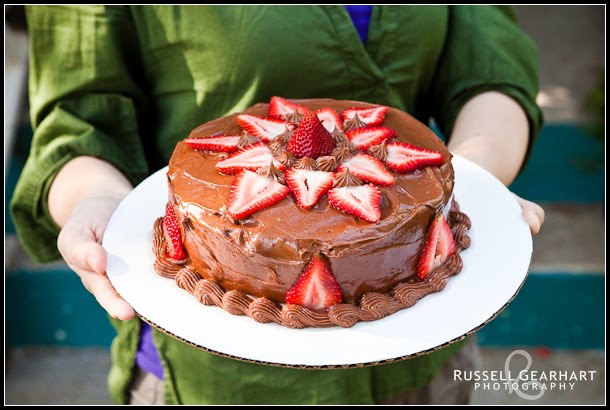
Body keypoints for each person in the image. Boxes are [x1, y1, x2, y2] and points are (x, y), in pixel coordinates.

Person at [11, 5, 545, 405]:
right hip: (212, 379)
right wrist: (95, 198)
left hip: (424, 363)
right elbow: (79, 121)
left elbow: (490, 68)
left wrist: (477, 177)